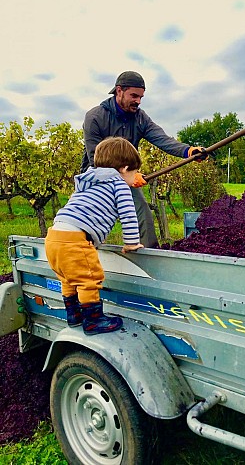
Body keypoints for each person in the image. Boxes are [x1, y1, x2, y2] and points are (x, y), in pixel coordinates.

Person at [81, 70, 206, 248]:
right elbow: (95, 160)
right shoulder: (95, 117)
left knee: (142, 214)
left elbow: (162, 138)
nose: (138, 101)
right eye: (134, 96)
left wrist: (188, 151)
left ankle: (148, 258)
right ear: (119, 91)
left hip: (126, 175)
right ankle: (82, 251)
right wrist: (125, 177)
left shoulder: (140, 118)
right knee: (88, 220)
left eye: (141, 97)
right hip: (95, 177)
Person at [45, 137, 144, 336]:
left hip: (54, 236)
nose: (134, 178)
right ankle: (93, 320)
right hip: (74, 239)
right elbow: (128, 214)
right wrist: (132, 243)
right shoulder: (119, 185)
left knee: (68, 277)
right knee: (89, 278)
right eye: (133, 173)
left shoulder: (87, 181)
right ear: (124, 169)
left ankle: (74, 315)